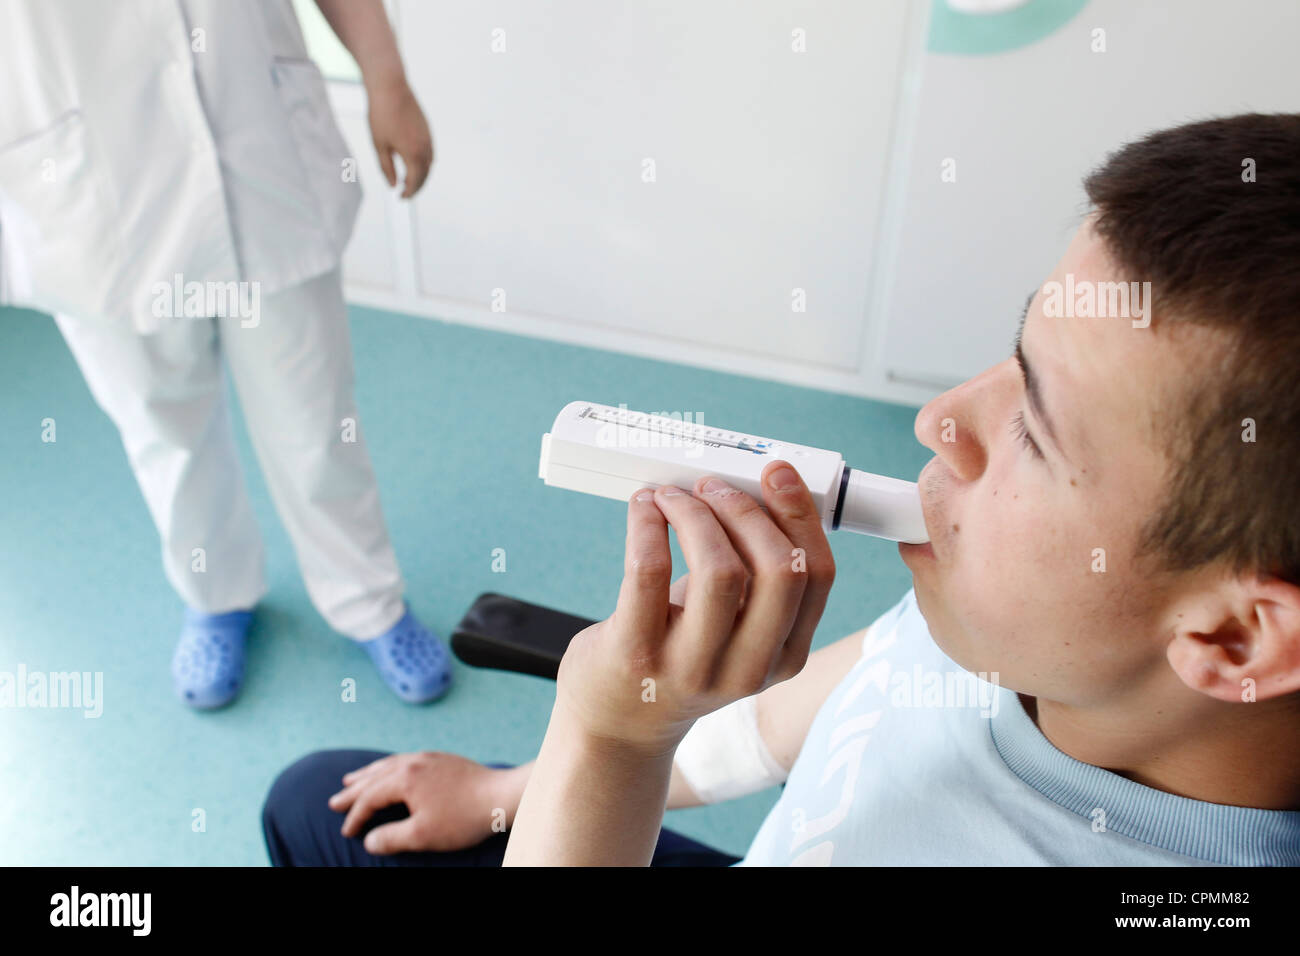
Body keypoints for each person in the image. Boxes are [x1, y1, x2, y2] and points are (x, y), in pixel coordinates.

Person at [264, 113, 1300, 865]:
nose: (940, 420)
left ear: (1234, 640)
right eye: (1011, 355)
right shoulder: (1030, 625)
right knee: (321, 800)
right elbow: (792, 720)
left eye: (1033, 426)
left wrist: (607, 734)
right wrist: (505, 795)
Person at [0, 0, 451, 708]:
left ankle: (368, 601)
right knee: (163, 429)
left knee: (315, 422)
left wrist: (385, 80)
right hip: (88, 188)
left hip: (261, 151)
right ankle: (214, 595)